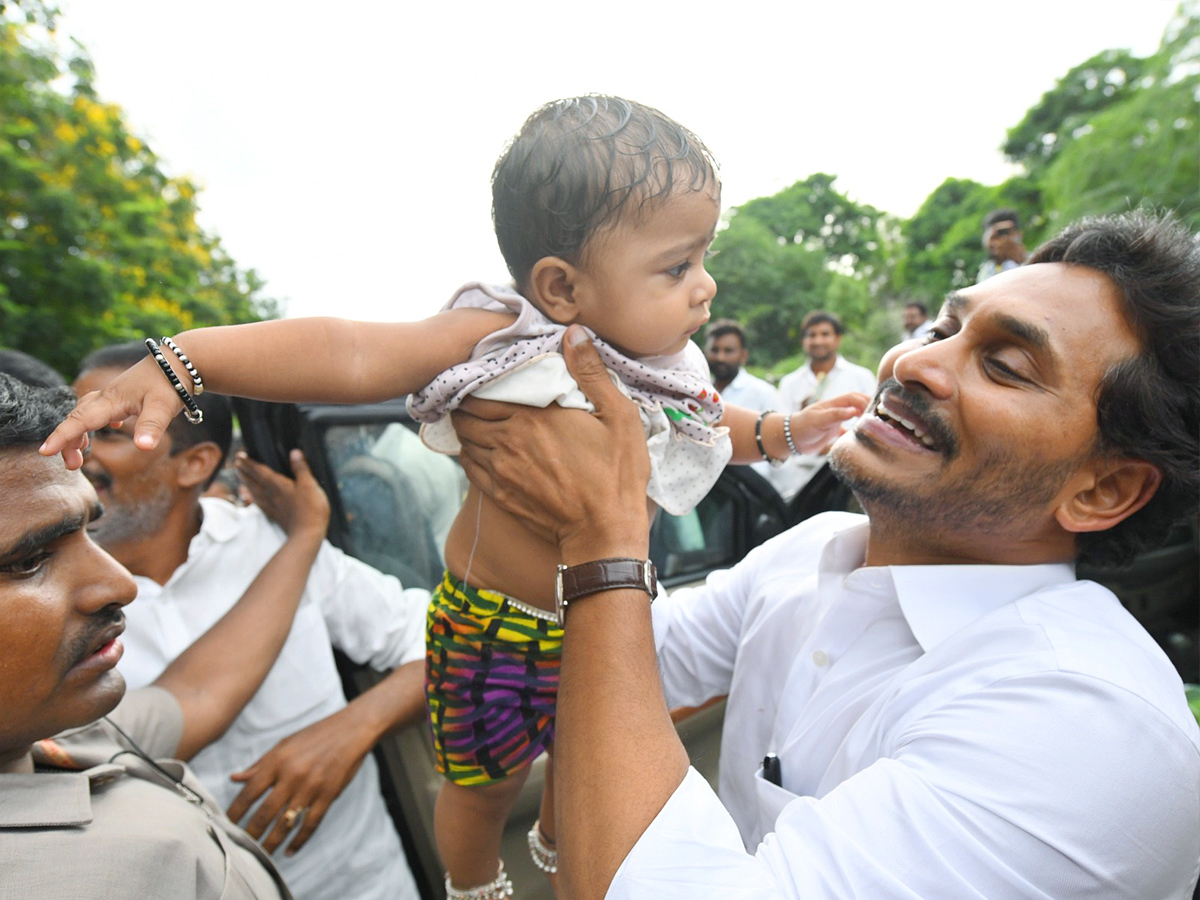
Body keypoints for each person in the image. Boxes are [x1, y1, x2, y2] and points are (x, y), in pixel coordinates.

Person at [43, 95, 868, 900]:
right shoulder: (503, 337)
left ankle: (555, 840)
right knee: (482, 787)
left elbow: (710, 422)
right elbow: (354, 351)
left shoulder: (663, 370)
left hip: (604, 619)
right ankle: (474, 882)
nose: (707, 286)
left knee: (585, 755)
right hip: (493, 628)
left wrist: (784, 432)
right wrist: (185, 359)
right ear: (562, 286)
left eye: (703, 257)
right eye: (678, 266)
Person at [448, 210, 1200, 900]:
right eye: (942, 330)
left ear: (1104, 491)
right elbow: (593, 658)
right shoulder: (809, 553)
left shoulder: (1086, 724)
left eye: (1004, 365)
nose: (911, 363)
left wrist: (604, 538)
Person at [71, 342, 429, 900]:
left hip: (362, 882)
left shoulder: (271, 543)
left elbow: (439, 639)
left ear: (195, 464)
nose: (78, 449)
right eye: (75, 423)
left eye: (110, 432)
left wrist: (354, 730)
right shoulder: (42, 598)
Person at [0, 373, 334, 899]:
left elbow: (199, 693)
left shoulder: (57, 738)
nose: (118, 585)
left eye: (88, 531)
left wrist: (306, 536)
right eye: (29, 561)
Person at [773, 311, 877, 498]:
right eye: (811, 335)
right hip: (801, 474)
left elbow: (874, 424)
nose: (818, 341)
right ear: (803, 341)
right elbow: (780, 428)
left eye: (825, 334)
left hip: (849, 470)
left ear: (838, 339)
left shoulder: (861, 377)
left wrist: (838, 445)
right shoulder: (790, 383)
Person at [703, 319, 780, 411]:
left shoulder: (764, 393)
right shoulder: (698, 388)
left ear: (743, 356)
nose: (720, 358)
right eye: (714, 350)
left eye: (728, 351)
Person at [977, 208, 1028, 282]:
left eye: (1005, 233)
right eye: (993, 237)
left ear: (1019, 235)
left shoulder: (1037, 260)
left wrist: (1023, 261)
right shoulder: (985, 272)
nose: (998, 242)